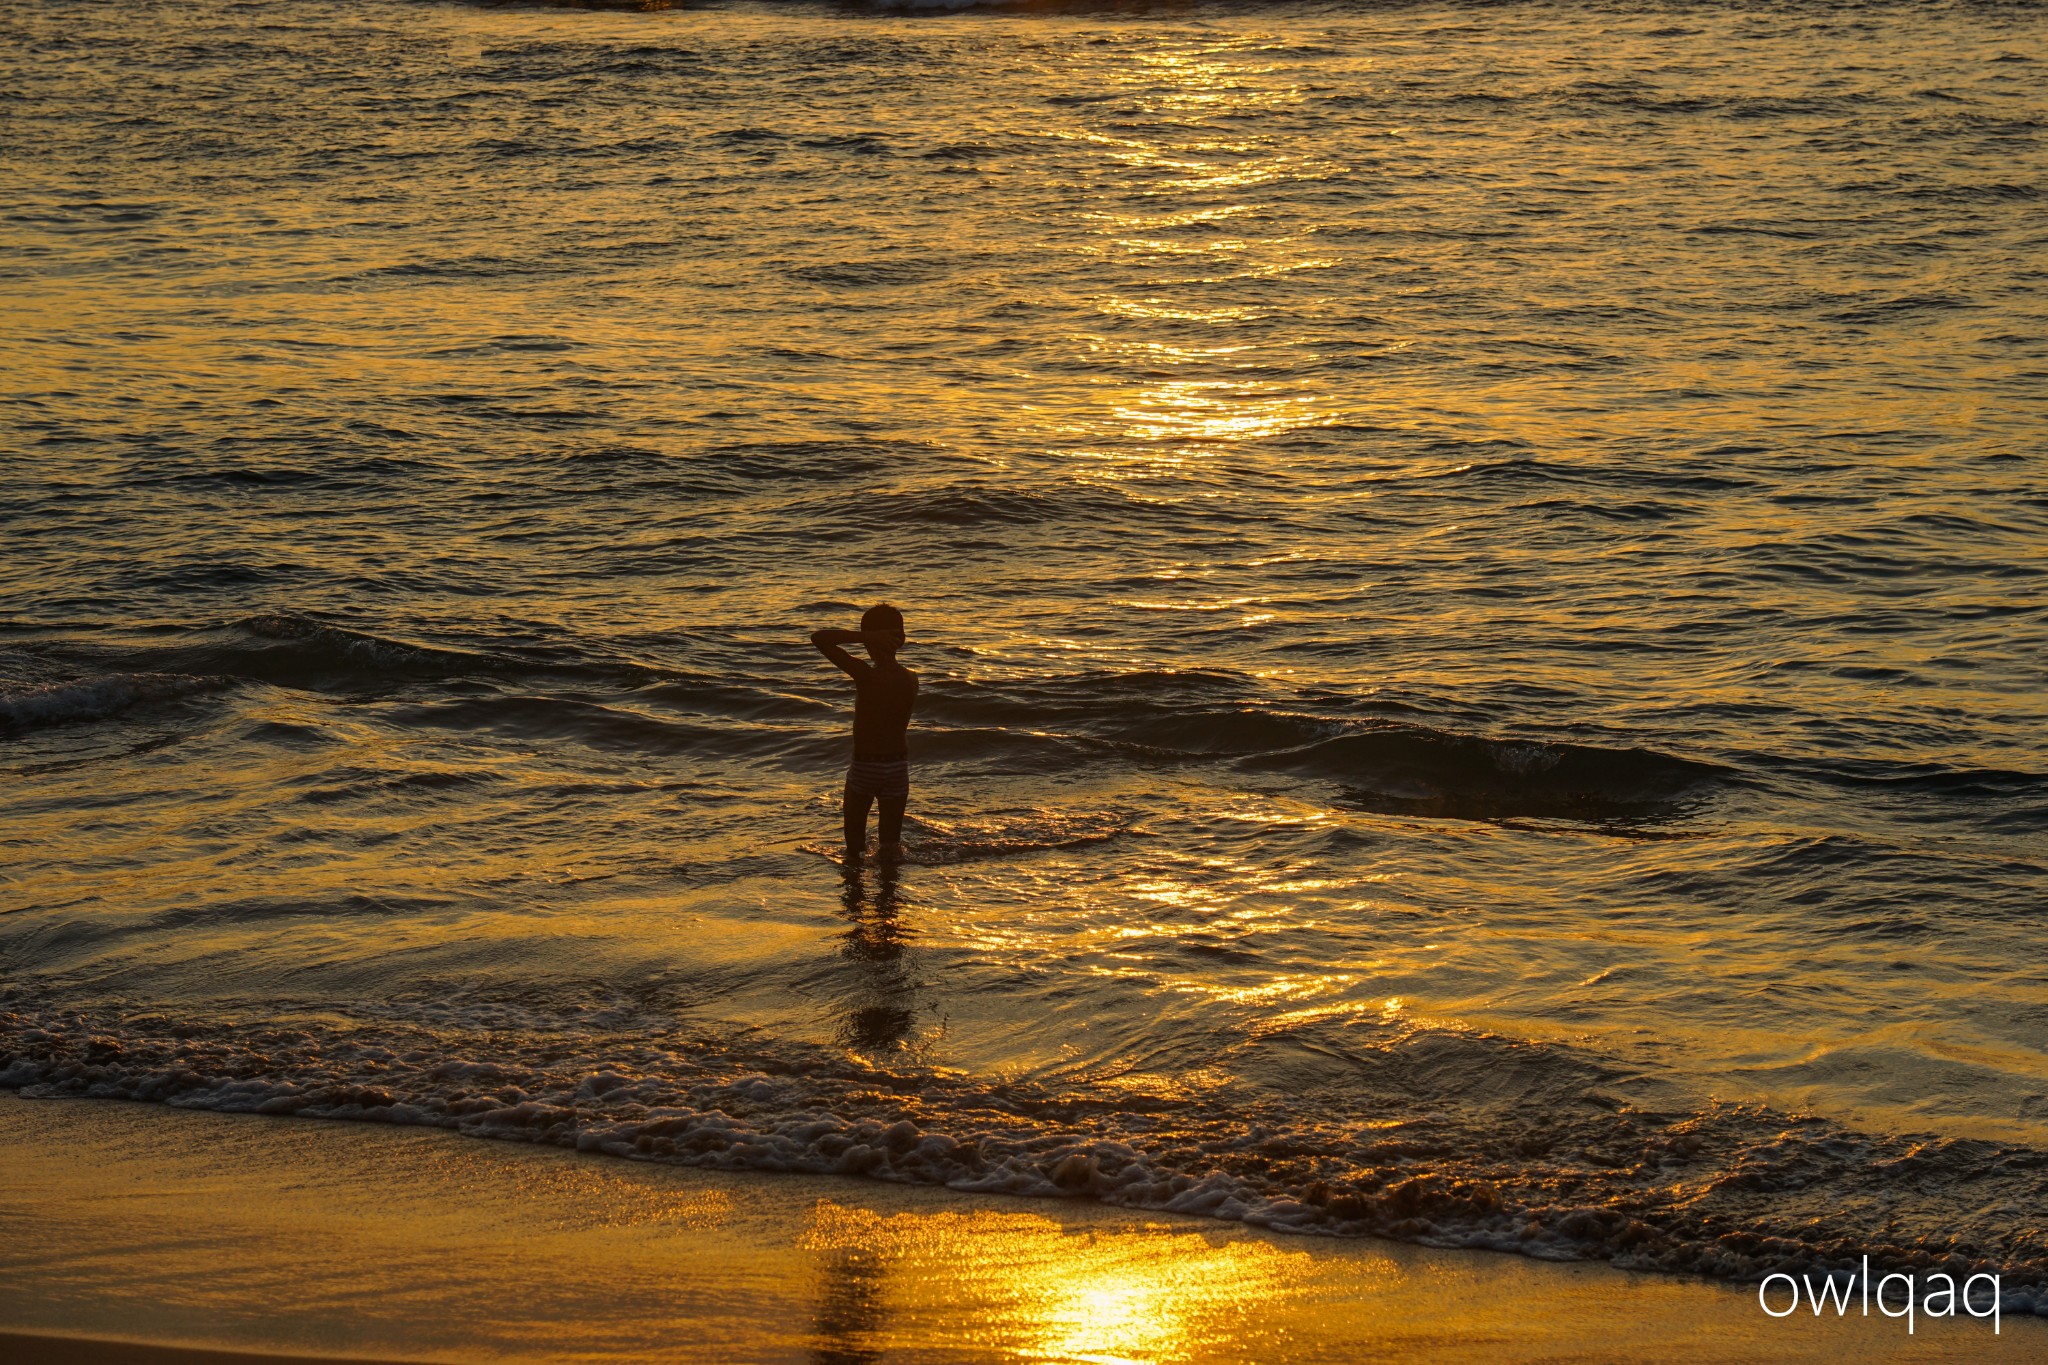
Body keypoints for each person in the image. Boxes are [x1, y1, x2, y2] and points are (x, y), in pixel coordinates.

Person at [810, 604, 919, 861]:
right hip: (897, 767)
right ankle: (888, 895)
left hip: (865, 766)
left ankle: (855, 894)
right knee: (890, 848)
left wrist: (864, 637)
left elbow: (819, 639)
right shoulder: (911, 678)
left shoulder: (865, 675)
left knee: (854, 847)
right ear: (901, 639)